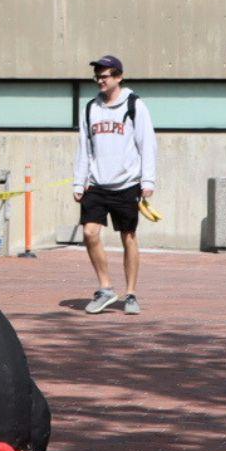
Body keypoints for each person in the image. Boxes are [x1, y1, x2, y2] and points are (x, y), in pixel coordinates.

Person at [73, 54, 156, 315]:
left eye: (105, 75)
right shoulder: (90, 108)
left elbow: (147, 143)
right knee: (89, 233)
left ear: (118, 77)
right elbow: (84, 148)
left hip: (127, 184)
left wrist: (148, 179)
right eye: (97, 76)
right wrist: (79, 181)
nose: (100, 80)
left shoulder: (134, 105)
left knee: (128, 237)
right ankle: (106, 287)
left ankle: (130, 293)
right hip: (97, 185)